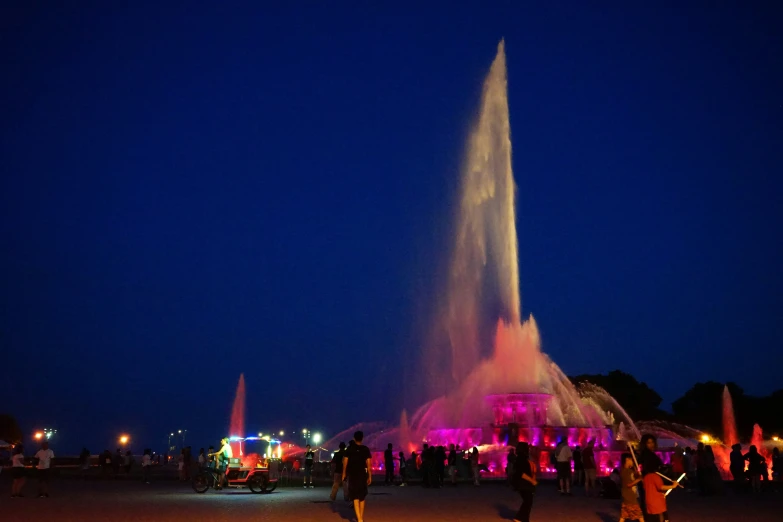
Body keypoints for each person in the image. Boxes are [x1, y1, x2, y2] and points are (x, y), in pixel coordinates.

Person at [342, 431, 372, 522]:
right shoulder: (365, 449)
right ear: (362, 438)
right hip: (362, 474)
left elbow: (345, 462)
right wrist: (370, 476)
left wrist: (344, 473)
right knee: (362, 497)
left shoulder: (349, 449)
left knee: (355, 497)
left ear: (354, 438)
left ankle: (359, 518)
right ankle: (361, 518)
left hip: (353, 475)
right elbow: (369, 464)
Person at [511, 442, 537, 522]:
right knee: (528, 501)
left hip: (522, 483)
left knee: (527, 501)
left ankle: (521, 518)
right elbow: (521, 473)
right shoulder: (521, 459)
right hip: (524, 483)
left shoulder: (520, 458)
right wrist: (532, 481)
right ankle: (520, 518)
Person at [619, 454, 643, 522]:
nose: (633, 462)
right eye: (632, 460)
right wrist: (639, 479)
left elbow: (633, 477)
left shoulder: (625, 471)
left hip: (626, 496)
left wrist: (637, 471)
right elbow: (629, 485)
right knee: (640, 516)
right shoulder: (627, 471)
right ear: (627, 460)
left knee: (623, 516)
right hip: (630, 497)